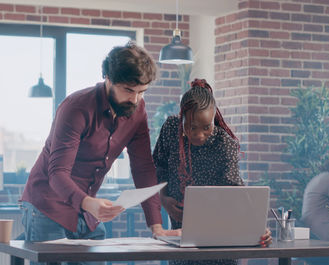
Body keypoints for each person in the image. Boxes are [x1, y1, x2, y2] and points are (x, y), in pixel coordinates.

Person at [19, 42, 179, 263]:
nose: (134, 99)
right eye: (128, 90)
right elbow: (57, 173)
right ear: (108, 78)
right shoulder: (76, 107)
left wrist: (157, 226)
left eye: (142, 92)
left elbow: (143, 168)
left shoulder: (137, 111)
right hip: (47, 203)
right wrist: (88, 203)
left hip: (85, 209)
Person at [153, 79, 272, 265]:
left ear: (214, 118)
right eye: (192, 127)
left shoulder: (224, 144)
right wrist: (163, 198)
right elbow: (158, 166)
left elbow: (236, 194)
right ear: (181, 117)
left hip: (221, 244)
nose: (199, 135)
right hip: (182, 239)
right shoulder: (170, 129)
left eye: (206, 127)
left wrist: (256, 227)